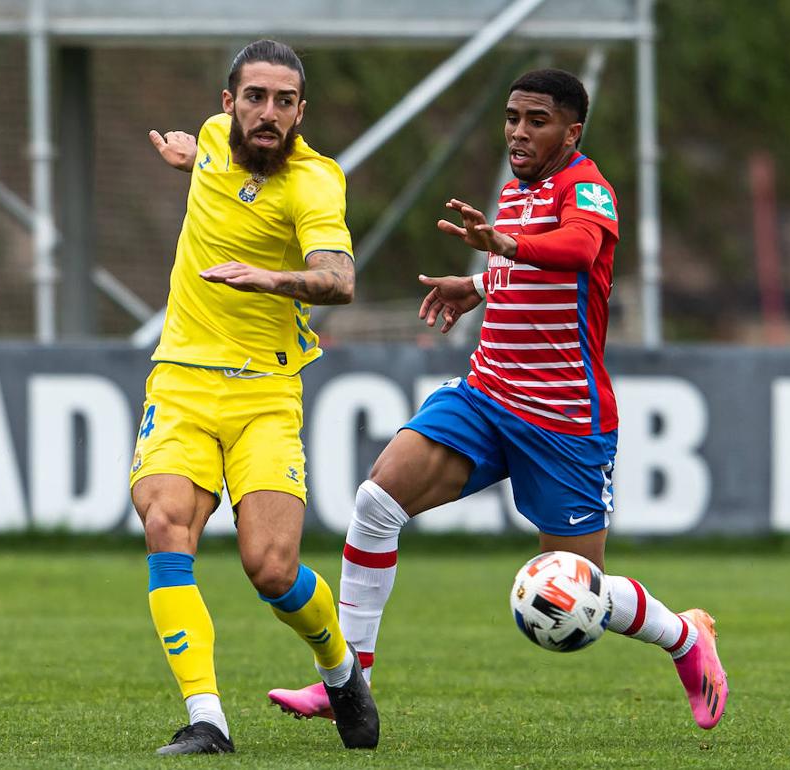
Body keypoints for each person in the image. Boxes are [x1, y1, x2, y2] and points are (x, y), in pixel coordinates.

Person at [267, 68, 728, 730]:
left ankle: (685, 636)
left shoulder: (589, 190)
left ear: (571, 132)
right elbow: (528, 267)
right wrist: (478, 285)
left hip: (564, 419)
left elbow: (577, 249)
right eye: (512, 117)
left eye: (536, 120)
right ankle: (349, 682)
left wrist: (504, 247)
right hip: (487, 394)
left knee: (577, 596)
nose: (517, 130)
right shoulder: (515, 193)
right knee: (377, 502)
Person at [131, 39, 379, 755]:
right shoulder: (211, 142)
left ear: (302, 110)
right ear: (227, 104)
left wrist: (273, 279)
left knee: (270, 568)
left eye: (283, 101)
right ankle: (207, 719)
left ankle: (340, 669)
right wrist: (188, 159)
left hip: (268, 390)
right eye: (254, 98)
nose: (267, 113)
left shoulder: (313, 181)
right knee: (166, 524)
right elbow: (210, 164)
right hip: (180, 377)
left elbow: (338, 279)